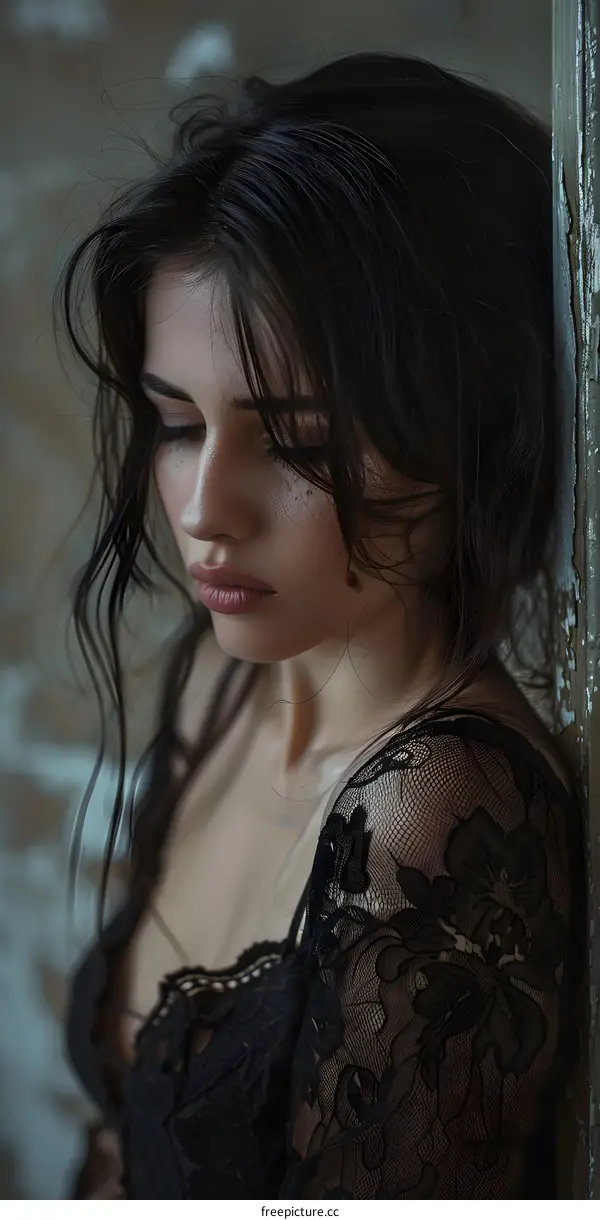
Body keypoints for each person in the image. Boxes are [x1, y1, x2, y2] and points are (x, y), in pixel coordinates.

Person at [58, 52, 584, 1200]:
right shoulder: (219, 677)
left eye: (296, 439)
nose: (204, 513)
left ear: (471, 426)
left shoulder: (435, 809)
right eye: (176, 421)